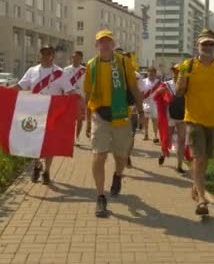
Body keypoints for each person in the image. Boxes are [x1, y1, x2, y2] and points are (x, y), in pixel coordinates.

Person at [176, 28, 214, 216]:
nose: (208, 47)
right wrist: (182, 80)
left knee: (204, 159)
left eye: (211, 44)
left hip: (213, 120)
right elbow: (179, 92)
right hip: (194, 119)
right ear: (198, 45)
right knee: (199, 158)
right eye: (204, 44)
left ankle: (196, 185)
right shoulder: (188, 65)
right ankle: (202, 200)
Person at [84, 29, 143, 218]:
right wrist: (87, 121)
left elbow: (134, 87)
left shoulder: (123, 62)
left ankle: (118, 175)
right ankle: (100, 196)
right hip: (100, 115)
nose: (105, 44)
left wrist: (141, 111)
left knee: (121, 156)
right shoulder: (91, 66)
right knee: (99, 155)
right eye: (102, 41)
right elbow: (87, 95)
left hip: (121, 116)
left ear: (113, 43)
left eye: (108, 41)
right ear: (97, 45)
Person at [14, 45, 79, 185]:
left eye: (49, 53)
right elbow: (20, 86)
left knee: (49, 144)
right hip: (35, 112)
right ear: (40, 55)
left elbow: (70, 91)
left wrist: (77, 101)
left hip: (52, 113)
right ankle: (37, 165)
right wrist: (2, 92)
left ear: (53, 55)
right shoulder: (32, 71)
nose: (46, 56)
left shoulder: (60, 73)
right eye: (43, 53)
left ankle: (47, 171)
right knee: (34, 143)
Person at [153, 64, 186, 172]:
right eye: (175, 71)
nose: (177, 73)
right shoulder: (167, 84)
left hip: (183, 117)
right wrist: (162, 93)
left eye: (179, 71)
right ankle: (163, 152)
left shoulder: (187, 85)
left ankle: (179, 166)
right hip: (170, 116)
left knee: (182, 141)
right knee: (167, 138)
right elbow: (156, 95)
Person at [63, 51, 87, 147]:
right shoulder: (65, 70)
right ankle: (69, 137)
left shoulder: (85, 70)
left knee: (80, 119)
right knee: (69, 119)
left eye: (77, 57)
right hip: (68, 97)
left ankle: (77, 138)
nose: (75, 59)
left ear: (81, 59)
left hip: (80, 97)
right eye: (73, 57)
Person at [142, 67, 161, 144]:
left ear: (155, 73)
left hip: (155, 103)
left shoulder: (159, 82)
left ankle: (155, 136)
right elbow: (141, 92)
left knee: (154, 120)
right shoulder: (143, 81)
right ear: (147, 73)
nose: (151, 74)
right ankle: (146, 134)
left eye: (153, 72)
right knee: (145, 119)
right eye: (150, 72)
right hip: (146, 102)